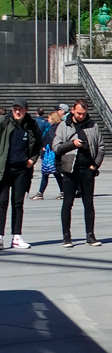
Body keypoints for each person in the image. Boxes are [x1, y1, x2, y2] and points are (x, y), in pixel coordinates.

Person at [54, 99, 104, 248]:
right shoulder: (64, 126)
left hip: (87, 169)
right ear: (72, 110)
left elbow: (101, 146)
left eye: (83, 113)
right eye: (78, 113)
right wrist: (72, 144)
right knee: (67, 203)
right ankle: (66, 236)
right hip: (70, 169)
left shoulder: (93, 125)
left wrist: (95, 166)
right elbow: (56, 147)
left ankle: (90, 235)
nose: (81, 116)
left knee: (88, 203)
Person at [0, 98, 43, 249]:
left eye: (21, 109)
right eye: (15, 108)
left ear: (26, 109)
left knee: (18, 204)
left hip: (22, 170)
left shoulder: (31, 125)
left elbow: (38, 144)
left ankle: (16, 237)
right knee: (2, 203)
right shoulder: (5, 123)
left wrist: (32, 160)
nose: (17, 111)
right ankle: (0, 237)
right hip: (4, 170)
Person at [31, 108, 64, 201]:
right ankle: (62, 191)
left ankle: (40, 193)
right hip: (52, 154)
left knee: (47, 173)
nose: (48, 120)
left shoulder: (53, 128)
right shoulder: (57, 127)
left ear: (53, 119)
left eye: (49, 118)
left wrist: (45, 146)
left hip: (50, 154)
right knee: (55, 174)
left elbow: (51, 140)